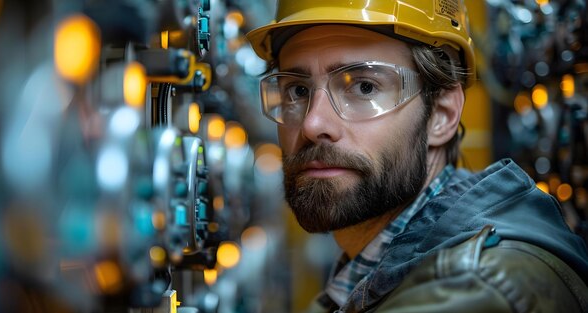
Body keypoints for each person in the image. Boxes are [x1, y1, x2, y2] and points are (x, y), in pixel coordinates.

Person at [246, 0, 588, 312]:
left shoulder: (478, 291)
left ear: (441, 114)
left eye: (364, 86)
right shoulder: (373, 276)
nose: (312, 123)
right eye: (297, 90)